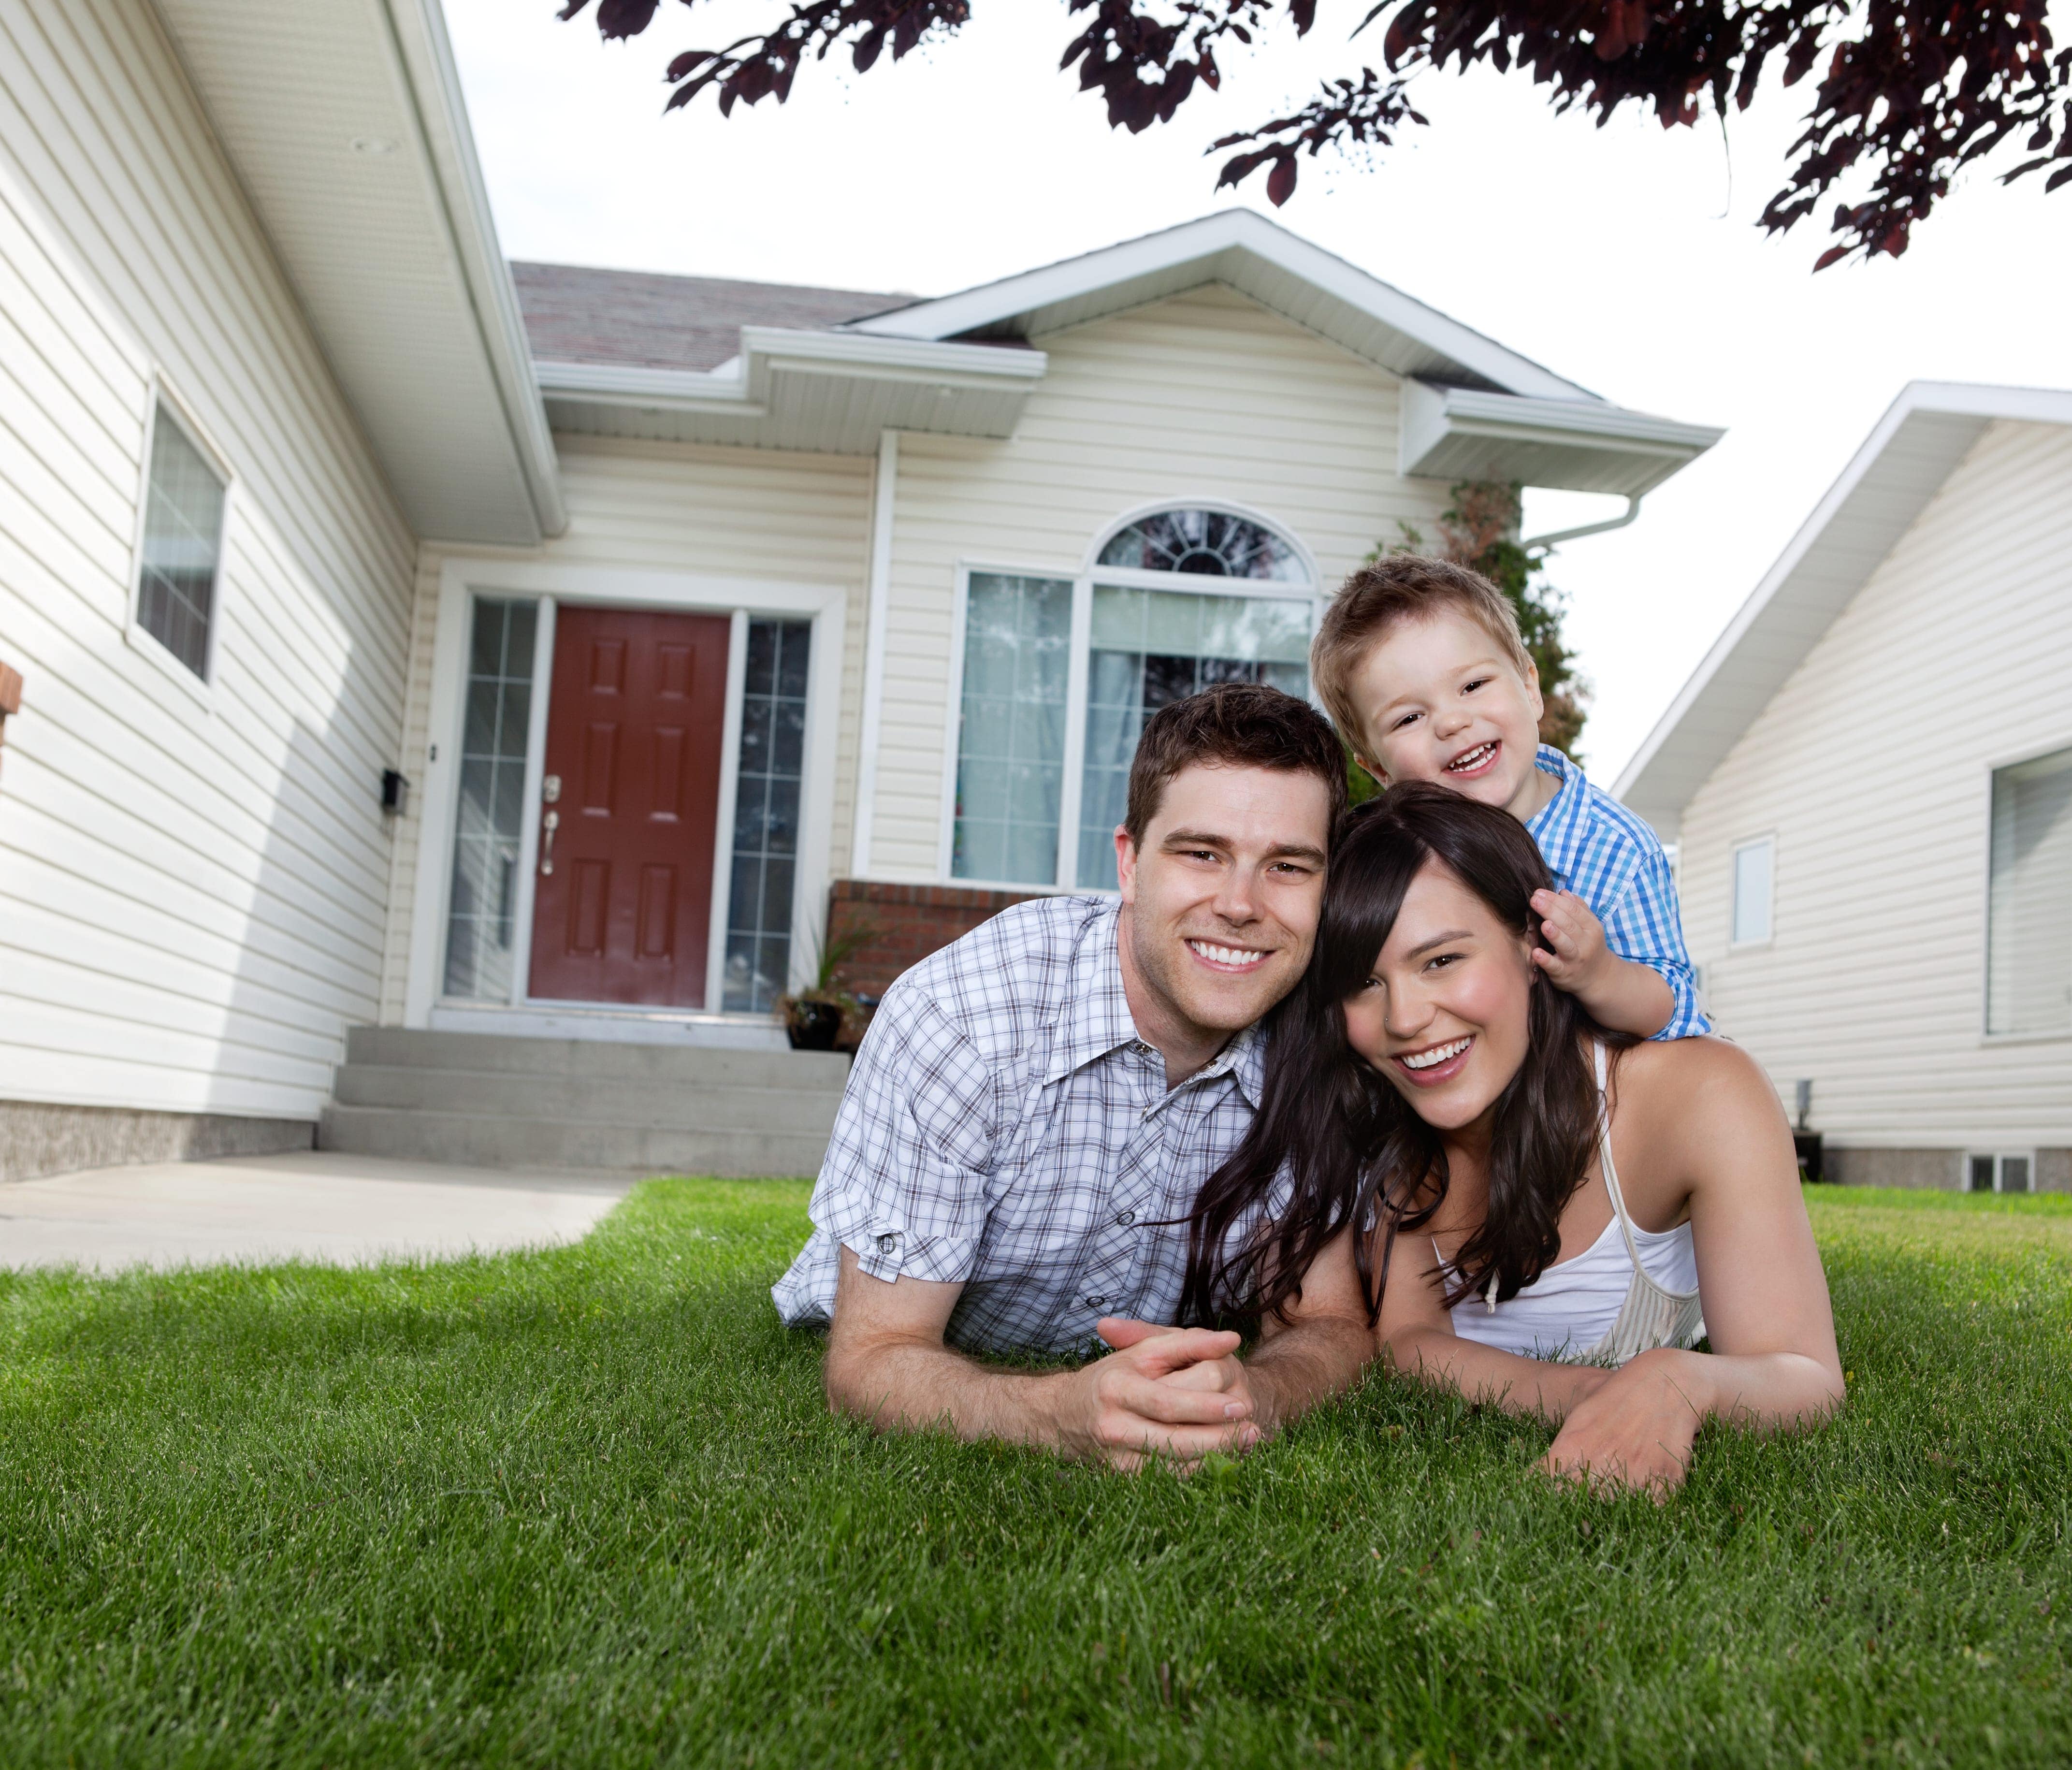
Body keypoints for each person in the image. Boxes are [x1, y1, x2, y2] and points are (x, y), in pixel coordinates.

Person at [773, 683, 1378, 1468]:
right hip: (903, 1307)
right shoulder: (963, 1019)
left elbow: (1330, 1326)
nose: (1240, 904)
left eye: (1288, 866)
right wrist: (1061, 1411)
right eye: (1202, 853)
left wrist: (1257, 1394)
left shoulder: (1316, 1041)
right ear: (1129, 862)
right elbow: (872, 1358)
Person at [1185, 784, 1843, 1493]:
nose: (1404, 1018)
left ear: (1532, 944)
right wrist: (1590, 1396)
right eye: (1364, 982)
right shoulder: (1377, 1122)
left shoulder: (1696, 1093)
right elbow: (1411, 1344)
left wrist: (1675, 1379)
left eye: (1440, 960)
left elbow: (1802, 1374)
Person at [1310, 554, 1706, 1042]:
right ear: (1377, 769)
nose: (1452, 721)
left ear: (1530, 688)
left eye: (1473, 685)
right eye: (1409, 718)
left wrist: (1601, 974)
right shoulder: (1390, 865)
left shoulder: (1615, 851)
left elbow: (1676, 1011)